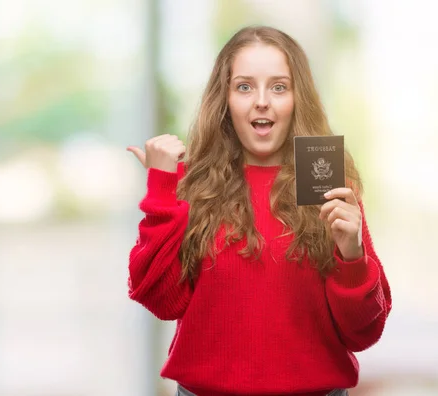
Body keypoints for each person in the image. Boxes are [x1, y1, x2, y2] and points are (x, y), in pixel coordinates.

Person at [126, 26, 391, 396]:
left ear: (298, 99)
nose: (262, 101)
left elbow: (363, 332)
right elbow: (160, 299)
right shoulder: (194, 185)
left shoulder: (328, 182)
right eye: (245, 86)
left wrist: (352, 255)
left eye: (279, 87)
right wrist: (161, 188)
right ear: (225, 99)